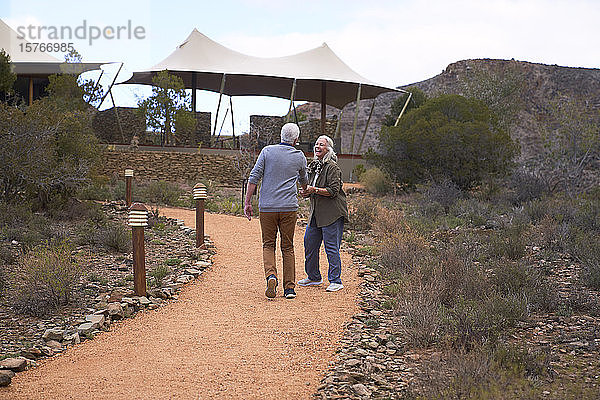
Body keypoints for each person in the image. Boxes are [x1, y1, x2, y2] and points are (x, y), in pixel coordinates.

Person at [244, 123, 308, 299]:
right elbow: (304, 179)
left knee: (268, 244)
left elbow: (254, 177)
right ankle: (289, 289)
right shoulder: (299, 156)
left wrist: (248, 201)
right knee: (288, 247)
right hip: (289, 208)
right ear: (296, 139)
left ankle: (271, 276)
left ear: (280, 136)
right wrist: (303, 189)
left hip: (267, 208)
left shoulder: (267, 152)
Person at [298, 135, 349, 292]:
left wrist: (315, 190)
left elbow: (333, 191)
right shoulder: (314, 166)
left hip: (332, 214)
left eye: (321, 144)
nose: (317, 146)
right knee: (309, 243)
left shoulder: (332, 167)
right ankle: (313, 277)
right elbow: (311, 187)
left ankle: (336, 281)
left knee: (331, 247)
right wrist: (307, 192)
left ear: (328, 149)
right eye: (316, 144)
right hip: (316, 213)